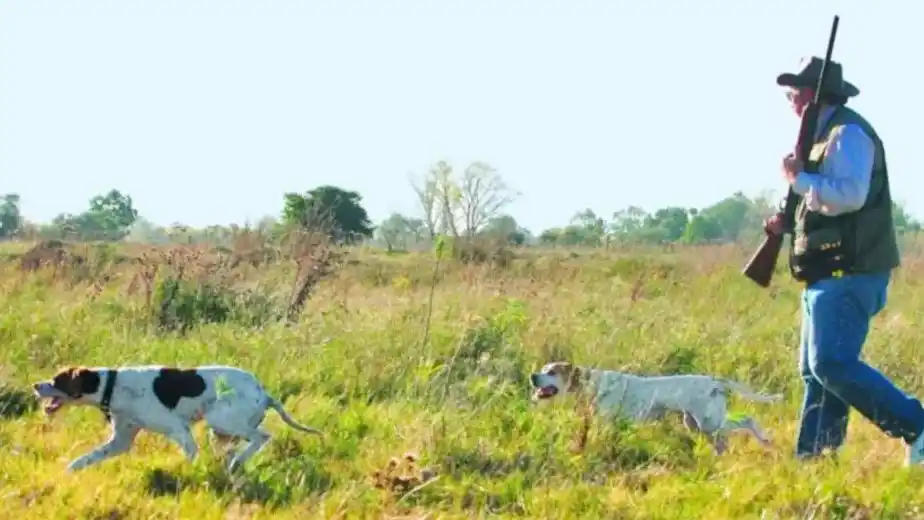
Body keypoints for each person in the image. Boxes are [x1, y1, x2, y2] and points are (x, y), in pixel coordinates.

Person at [765, 56, 924, 464]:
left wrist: (799, 179)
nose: (791, 101)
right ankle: (816, 463)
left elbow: (849, 196)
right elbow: (823, 201)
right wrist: (786, 220)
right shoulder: (824, 137)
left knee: (831, 364)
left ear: (814, 97)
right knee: (818, 375)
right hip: (827, 274)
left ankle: (916, 425)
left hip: (848, 272)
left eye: (795, 93)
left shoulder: (847, 134)